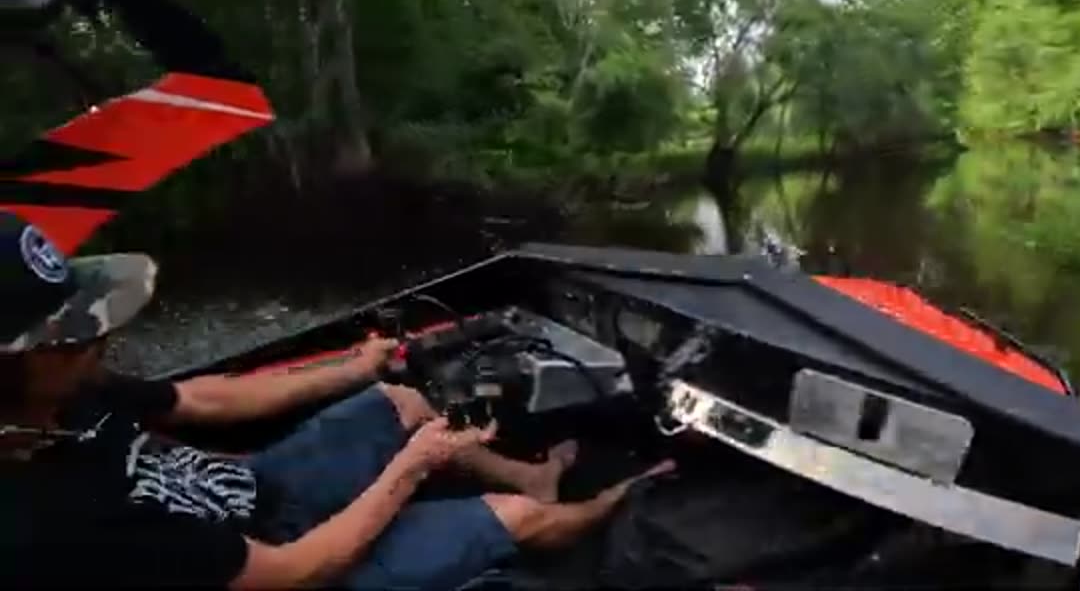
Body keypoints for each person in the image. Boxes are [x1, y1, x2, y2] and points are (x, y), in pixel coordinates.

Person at [0, 212, 672, 589]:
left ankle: (537, 475)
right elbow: (300, 571)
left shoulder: (69, 391)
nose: (101, 342)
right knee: (515, 517)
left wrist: (353, 368)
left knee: (397, 400)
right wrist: (412, 466)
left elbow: (199, 399)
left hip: (254, 488)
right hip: (291, 563)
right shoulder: (54, 524)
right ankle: (607, 501)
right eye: (72, 340)